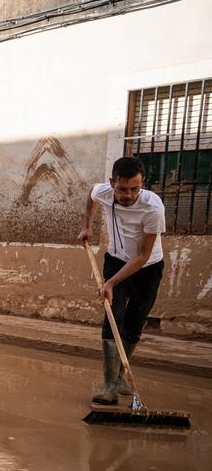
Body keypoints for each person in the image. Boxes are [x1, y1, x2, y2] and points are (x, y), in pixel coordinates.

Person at [77, 156, 165, 405]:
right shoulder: (104, 192)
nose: (129, 195)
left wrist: (111, 283)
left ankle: (119, 377)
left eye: (135, 189)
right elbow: (91, 194)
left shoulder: (153, 208)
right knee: (112, 315)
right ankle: (109, 387)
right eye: (122, 189)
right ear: (111, 183)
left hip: (147, 267)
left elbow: (142, 255)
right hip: (116, 260)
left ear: (142, 184)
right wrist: (87, 226)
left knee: (136, 320)